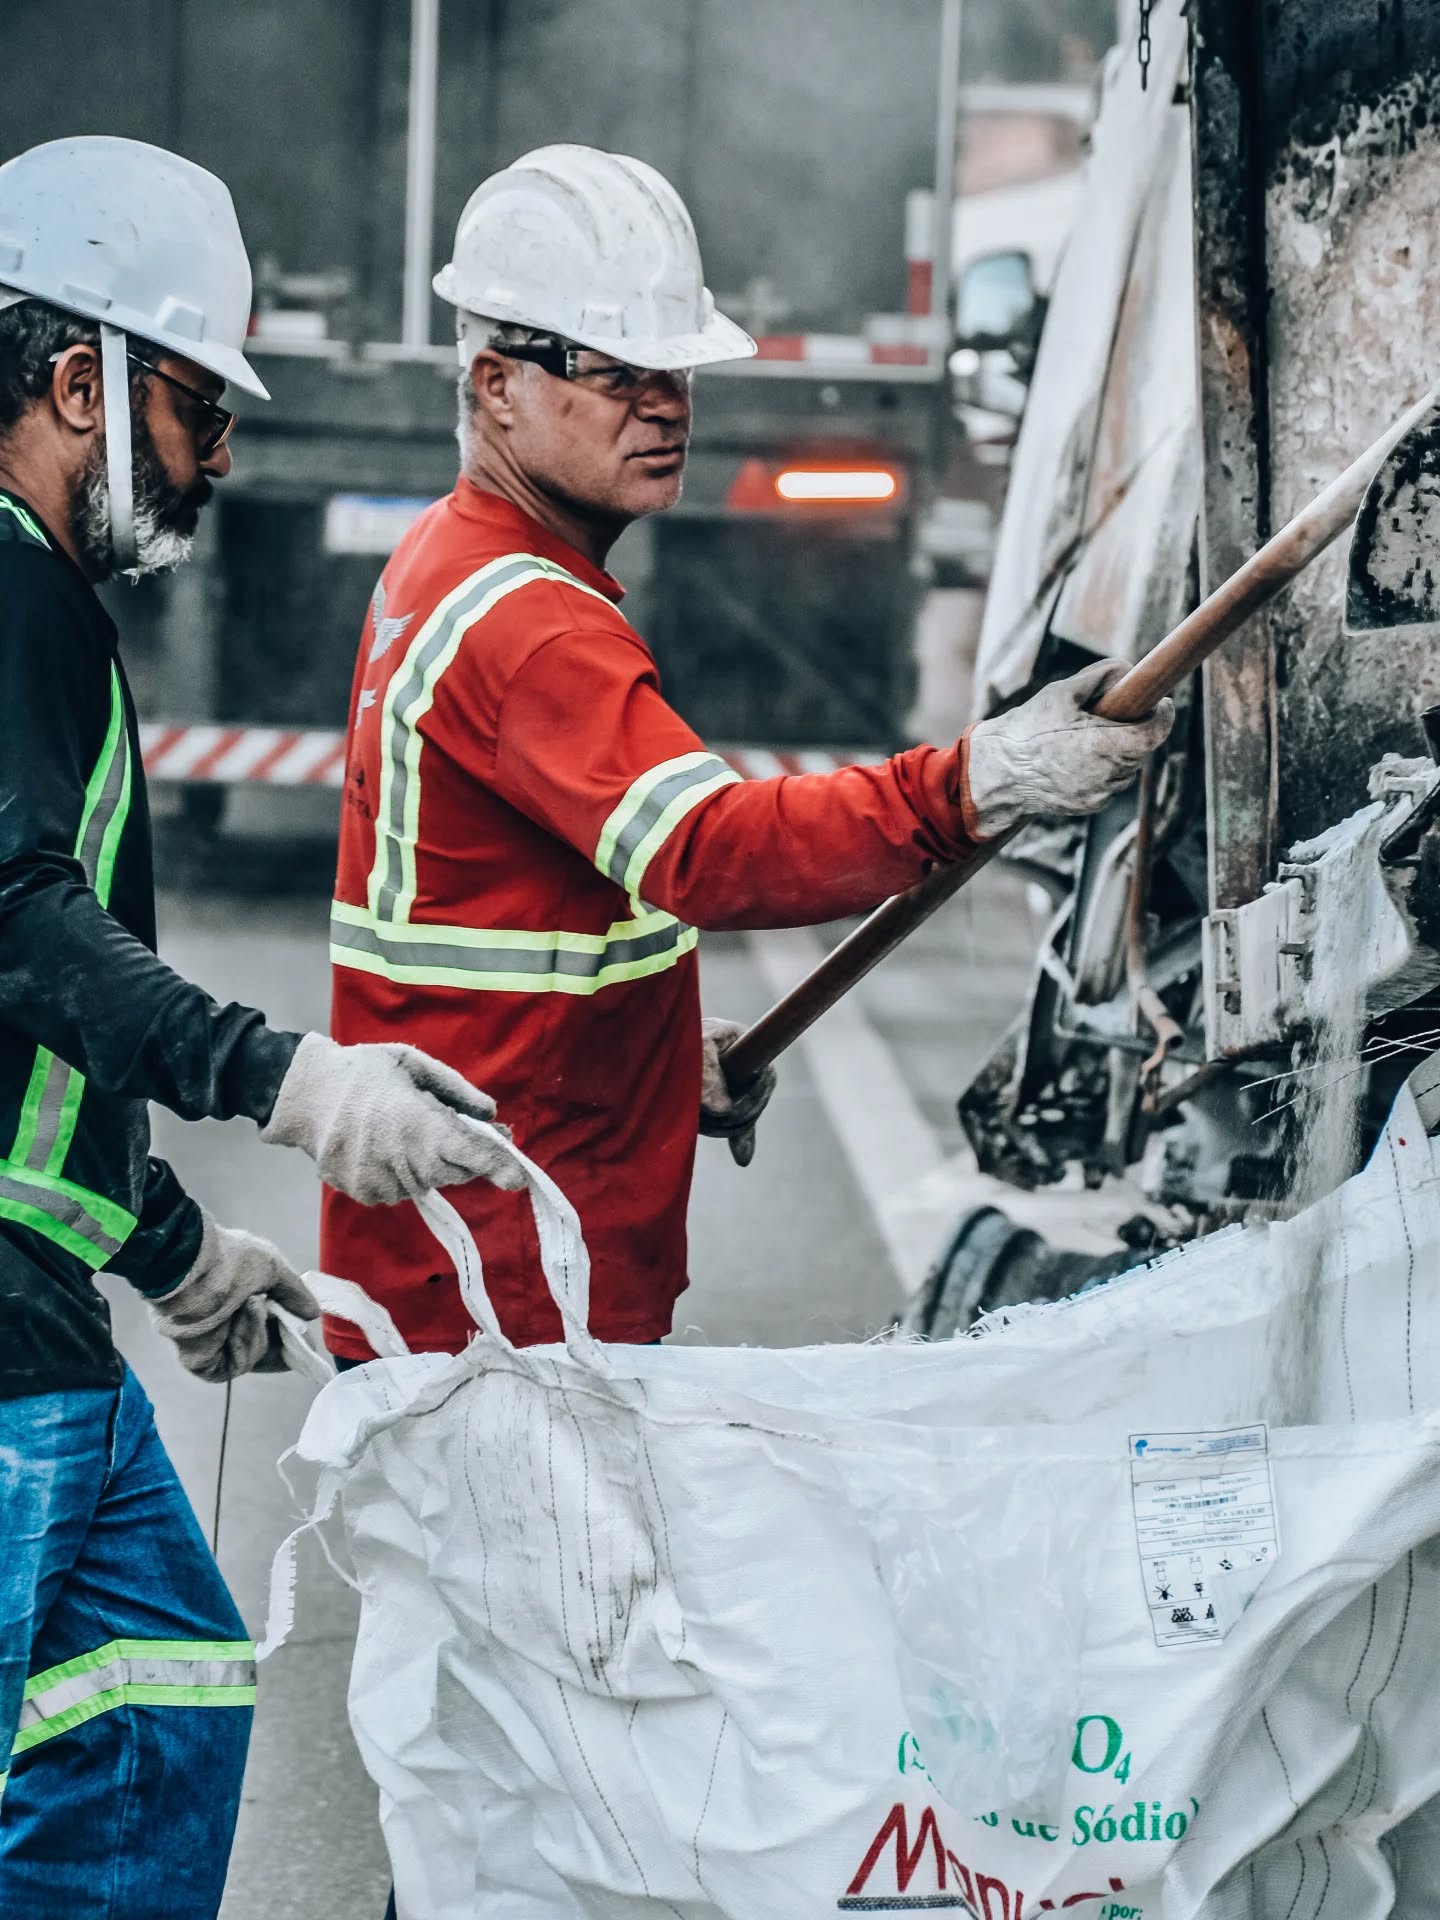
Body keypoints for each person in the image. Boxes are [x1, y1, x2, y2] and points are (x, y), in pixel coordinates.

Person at [322, 142, 1173, 1370]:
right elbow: (713, 856)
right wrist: (981, 779)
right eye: (617, 373)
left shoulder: (456, 563)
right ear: (498, 384)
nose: (664, 403)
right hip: (504, 1313)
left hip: (479, 1279)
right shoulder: (524, 620)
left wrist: (656, 1061)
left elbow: (515, 934)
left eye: (675, 369)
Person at [0, 136, 519, 1920]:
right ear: (79, 381)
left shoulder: (37, 602)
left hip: (44, 1305)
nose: (220, 463)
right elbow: (12, 927)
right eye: (194, 415)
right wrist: (284, 1083)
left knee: (162, 1682)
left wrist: (173, 1250)